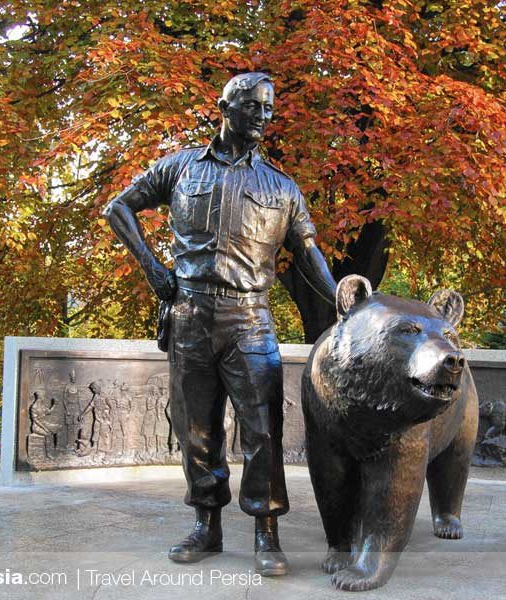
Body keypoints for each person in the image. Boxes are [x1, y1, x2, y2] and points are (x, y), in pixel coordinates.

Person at [104, 72, 337, 576]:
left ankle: (265, 531)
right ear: (225, 106)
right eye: (252, 106)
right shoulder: (181, 167)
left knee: (263, 430)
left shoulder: (282, 186)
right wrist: (153, 269)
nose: (262, 116)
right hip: (188, 315)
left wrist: (345, 298)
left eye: (268, 109)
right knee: (196, 429)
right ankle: (206, 526)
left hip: (251, 317)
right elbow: (118, 207)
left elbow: (309, 252)